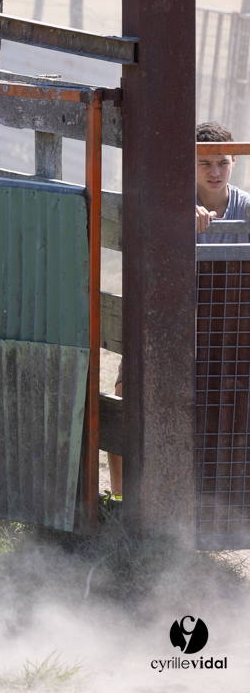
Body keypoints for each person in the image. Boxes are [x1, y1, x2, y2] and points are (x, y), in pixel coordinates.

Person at [109, 121, 244, 497]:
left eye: (222, 162)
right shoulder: (171, 202)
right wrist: (177, 220)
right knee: (125, 394)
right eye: (205, 164)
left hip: (224, 332)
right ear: (189, 165)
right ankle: (119, 500)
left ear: (234, 161)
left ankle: (219, 504)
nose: (215, 172)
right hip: (165, 324)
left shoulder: (247, 209)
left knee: (225, 407)